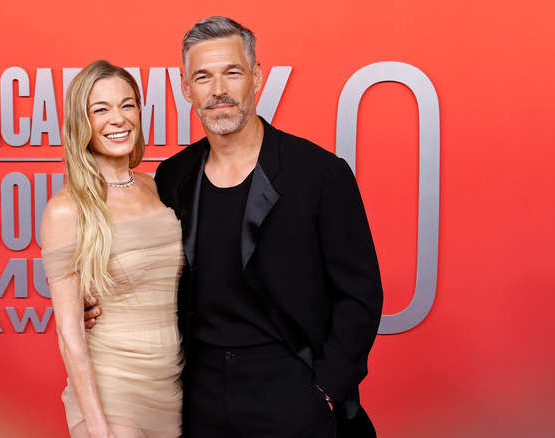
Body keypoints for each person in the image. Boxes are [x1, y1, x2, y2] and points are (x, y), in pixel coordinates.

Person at [153, 17, 384, 437]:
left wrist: (325, 389)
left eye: (232, 72)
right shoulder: (172, 177)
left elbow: (361, 293)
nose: (218, 89)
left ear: (257, 77)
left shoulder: (319, 174)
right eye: (203, 76)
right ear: (186, 88)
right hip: (196, 393)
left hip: (291, 386)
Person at [41, 60, 184, 438]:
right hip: (112, 391)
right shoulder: (66, 209)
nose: (117, 119)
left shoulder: (156, 188)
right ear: (81, 122)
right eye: (100, 109)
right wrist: (98, 426)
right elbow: (70, 333)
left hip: (172, 388)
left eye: (127, 104)